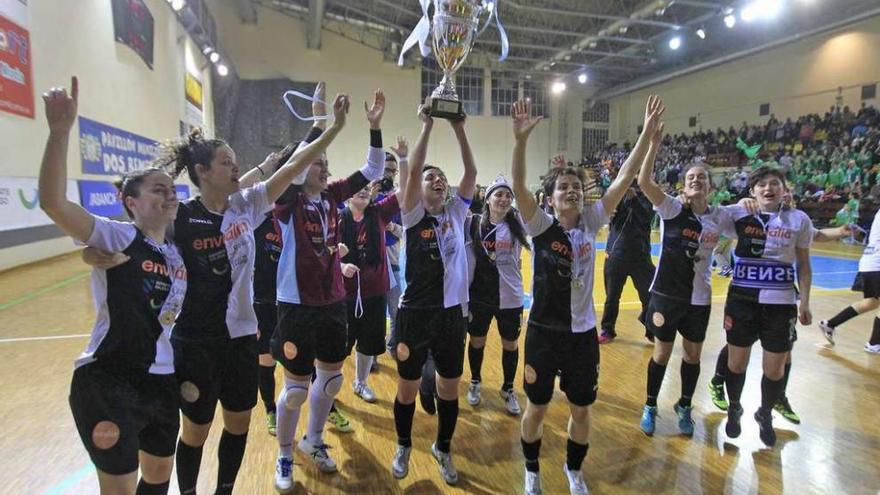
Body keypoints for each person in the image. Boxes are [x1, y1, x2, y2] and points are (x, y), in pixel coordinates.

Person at [39, 77, 187, 495]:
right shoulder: (119, 235)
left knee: (158, 477)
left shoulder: (176, 251)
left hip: (161, 380)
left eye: (172, 190)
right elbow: (54, 203)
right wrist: (59, 132)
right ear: (131, 203)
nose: (169, 196)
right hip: (109, 379)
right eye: (158, 190)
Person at [511, 96, 663, 495]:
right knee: (538, 408)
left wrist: (646, 134)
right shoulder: (540, 226)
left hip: (582, 336)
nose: (572, 191)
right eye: (564, 187)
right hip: (544, 332)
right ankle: (531, 471)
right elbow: (517, 186)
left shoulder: (593, 222)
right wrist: (521, 141)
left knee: (581, 409)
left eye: (577, 186)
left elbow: (625, 179)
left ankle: (573, 470)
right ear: (552, 197)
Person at [271, 88, 386, 492]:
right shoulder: (285, 200)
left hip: (333, 299)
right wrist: (320, 125)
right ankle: (285, 453)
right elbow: (296, 166)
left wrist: (374, 127)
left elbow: (373, 169)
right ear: (299, 169)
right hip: (296, 304)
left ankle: (314, 440)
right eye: (314, 163)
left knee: (332, 380)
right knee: (294, 391)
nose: (322, 168)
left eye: (325, 163)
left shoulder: (333, 195)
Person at [390, 100, 477, 486]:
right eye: (431, 178)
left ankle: (443, 447)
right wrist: (426, 126)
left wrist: (458, 127)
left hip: (450, 316)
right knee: (407, 389)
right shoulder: (411, 213)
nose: (438, 181)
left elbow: (471, 171)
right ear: (419, 189)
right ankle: (404, 443)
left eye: (441, 177)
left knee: (448, 388)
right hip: (414, 313)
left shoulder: (457, 212)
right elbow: (412, 173)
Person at [635, 126, 731, 437]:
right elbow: (644, 182)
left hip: (699, 300)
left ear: (710, 187)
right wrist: (654, 145)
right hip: (666, 295)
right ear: (683, 186)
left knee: (692, 355)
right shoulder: (672, 209)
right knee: (661, 353)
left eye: (702, 178)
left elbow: (750, 220)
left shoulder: (722, 216)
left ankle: (685, 405)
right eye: (691, 178)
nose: (697, 181)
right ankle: (650, 405)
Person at [718, 166, 814, 447]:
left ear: (785, 190)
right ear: (753, 191)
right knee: (736, 363)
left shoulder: (799, 219)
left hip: (781, 303)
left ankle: (765, 413)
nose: (768, 188)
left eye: (775, 184)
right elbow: (707, 214)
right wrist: (736, 204)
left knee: (775, 370)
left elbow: (804, 265)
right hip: (742, 300)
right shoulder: (739, 213)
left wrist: (805, 301)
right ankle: (735, 407)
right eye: (762, 185)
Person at [464, 174, 529, 415]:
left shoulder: (518, 224)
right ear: (488, 198)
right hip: (479, 295)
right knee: (477, 341)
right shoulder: (473, 223)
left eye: (507, 195)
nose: (504, 199)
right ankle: (475, 381)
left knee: (510, 344)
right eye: (498, 194)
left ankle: (508, 388)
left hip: (510, 296)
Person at [339, 180, 400, 403]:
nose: (363, 190)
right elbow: (321, 256)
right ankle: (326, 384)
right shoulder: (336, 220)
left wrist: (404, 161)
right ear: (346, 197)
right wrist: (340, 265)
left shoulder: (379, 214)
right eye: (358, 188)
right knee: (337, 347)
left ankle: (360, 382)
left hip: (374, 294)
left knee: (367, 344)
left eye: (366, 188)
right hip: (345, 296)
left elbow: (404, 193)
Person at [598, 180, 655, 344]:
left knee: (649, 296)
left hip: (641, 257)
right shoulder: (615, 198)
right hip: (616, 256)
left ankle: (651, 330)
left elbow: (646, 218)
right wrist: (609, 213)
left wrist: (634, 199)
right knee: (612, 297)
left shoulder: (647, 198)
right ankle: (607, 329)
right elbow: (606, 217)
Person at [820, 205, 880, 353]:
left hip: (870, 262)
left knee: (871, 303)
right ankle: (874, 344)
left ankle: (831, 324)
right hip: (877, 264)